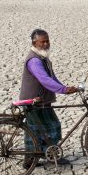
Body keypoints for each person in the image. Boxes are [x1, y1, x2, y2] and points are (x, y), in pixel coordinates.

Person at [19, 29, 78, 166]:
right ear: (35, 42)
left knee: (48, 128)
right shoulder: (34, 60)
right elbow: (44, 79)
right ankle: (32, 159)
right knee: (37, 130)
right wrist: (63, 90)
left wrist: (65, 87)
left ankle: (47, 155)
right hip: (34, 102)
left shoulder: (43, 58)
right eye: (42, 41)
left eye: (47, 41)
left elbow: (52, 77)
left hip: (42, 101)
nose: (46, 44)